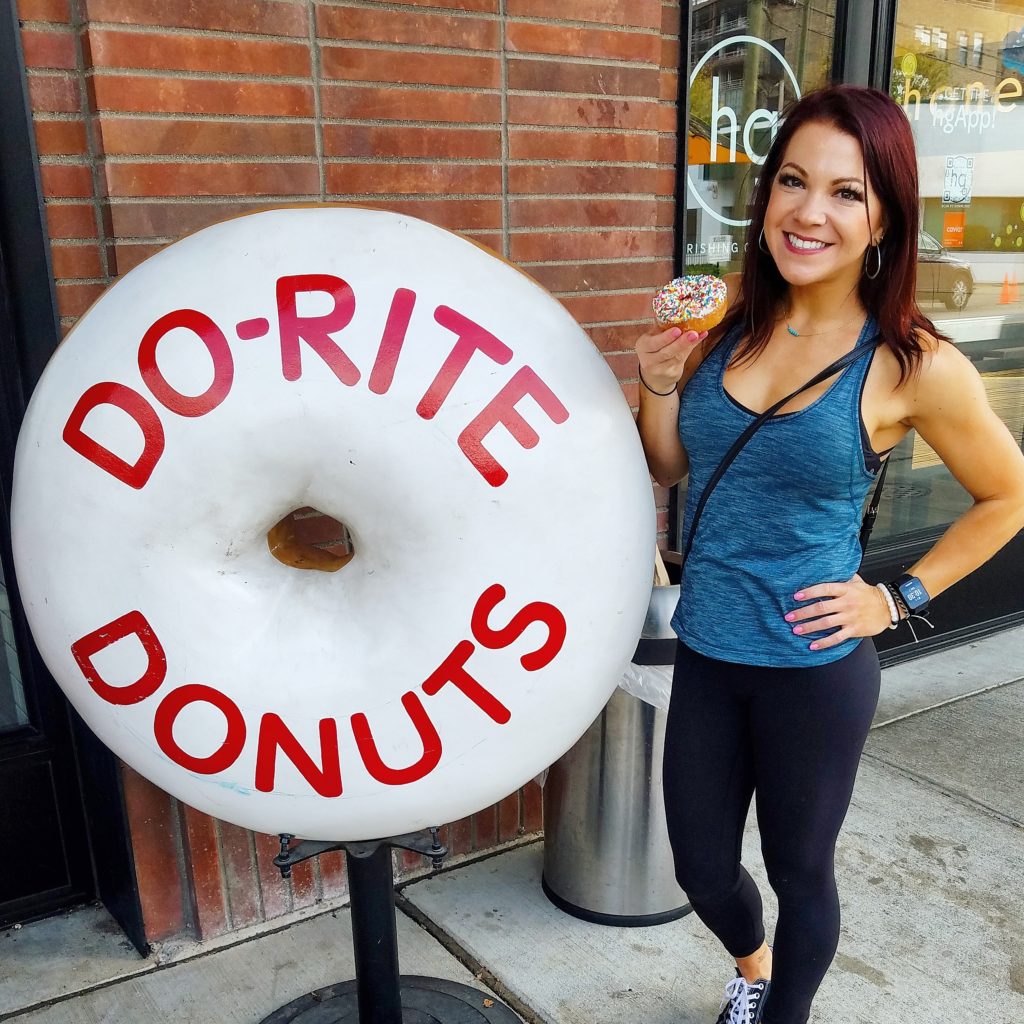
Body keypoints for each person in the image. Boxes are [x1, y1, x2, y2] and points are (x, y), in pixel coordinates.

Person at [633, 84, 1024, 1024]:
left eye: (846, 193)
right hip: (711, 651)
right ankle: (752, 964)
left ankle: (782, 1015)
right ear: (765, 196)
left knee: (800, 870)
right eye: (793, 182)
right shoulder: (725, 320)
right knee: (698, 865)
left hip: (813, 666)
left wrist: (896, 597)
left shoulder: (913, 363)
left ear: (884, 213)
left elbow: (1008, 496)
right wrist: (652, 386)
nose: (811, 212)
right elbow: (672, 465)